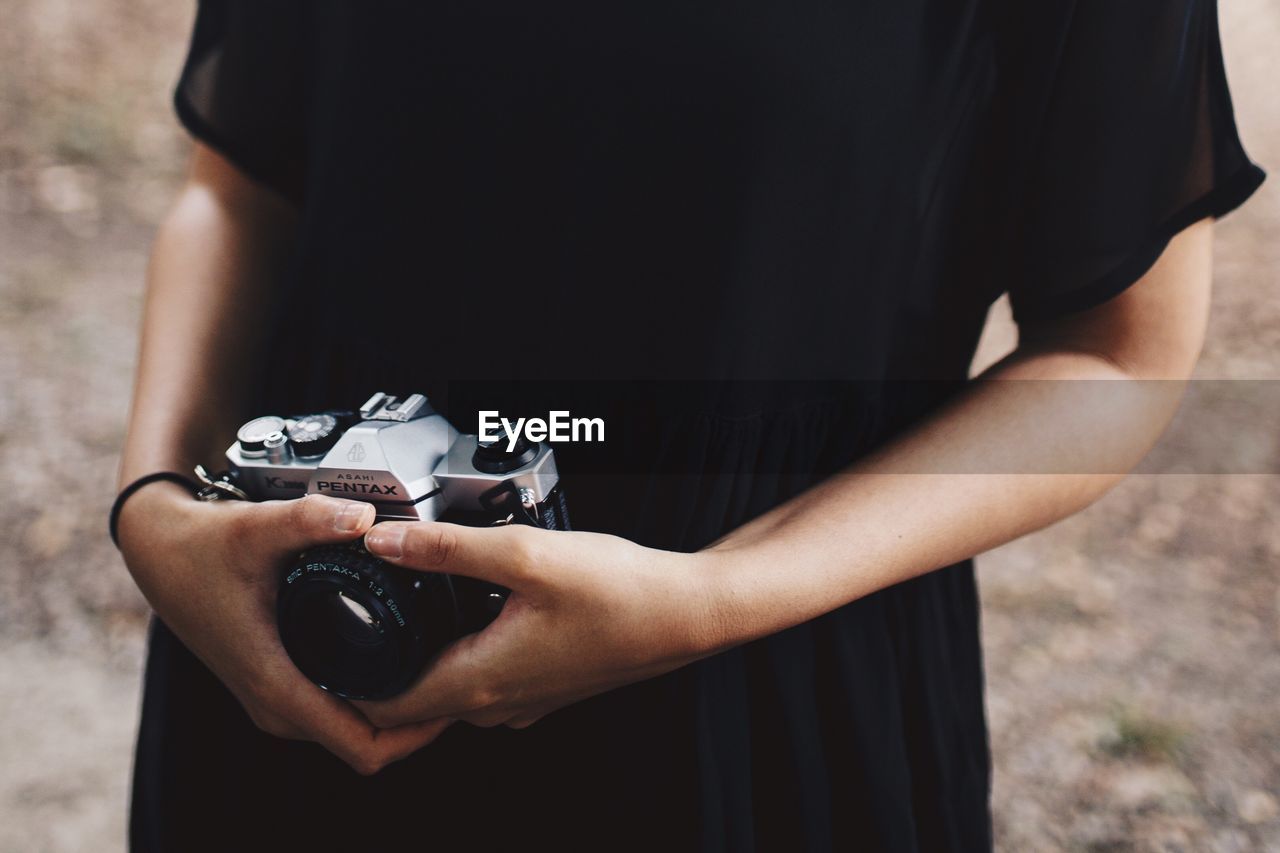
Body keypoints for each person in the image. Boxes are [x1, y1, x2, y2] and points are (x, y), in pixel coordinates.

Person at [114, 1, 1263, 850]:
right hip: (299, 657)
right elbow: (238, 186)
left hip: (753, 714)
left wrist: (716, 598)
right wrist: (159, 512)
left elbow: (1116, 356)